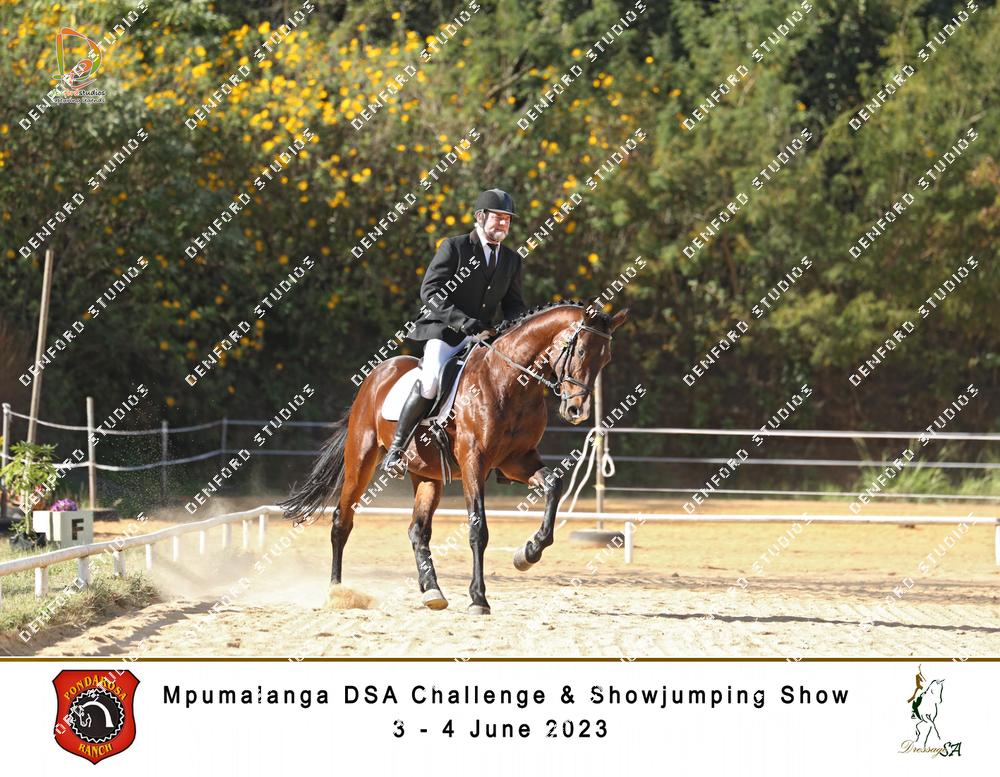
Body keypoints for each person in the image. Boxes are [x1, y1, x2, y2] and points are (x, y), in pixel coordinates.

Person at [382, 188, 528, 476]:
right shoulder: (455, 247)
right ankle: (396, 451)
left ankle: (506, 457)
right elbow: (431, 292)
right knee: (430, 382)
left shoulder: (512, 260)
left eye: (507, 219)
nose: (503, 223)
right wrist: (462, 321)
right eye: (498, 217)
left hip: (483, 338)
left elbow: (513, 304)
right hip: (445, 332)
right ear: (480, 216)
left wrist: (513, 327)